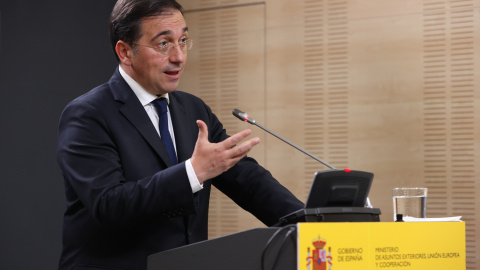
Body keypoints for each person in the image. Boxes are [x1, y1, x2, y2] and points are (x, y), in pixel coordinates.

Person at [56, 0, 304, 269]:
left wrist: (313, 222)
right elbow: (109, 206)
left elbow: (248, 182)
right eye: (164, 44)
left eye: (183, 40)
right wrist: (192, 173)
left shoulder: (193, 108)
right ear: (125, 52)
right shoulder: (88, 114)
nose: (179, 56)